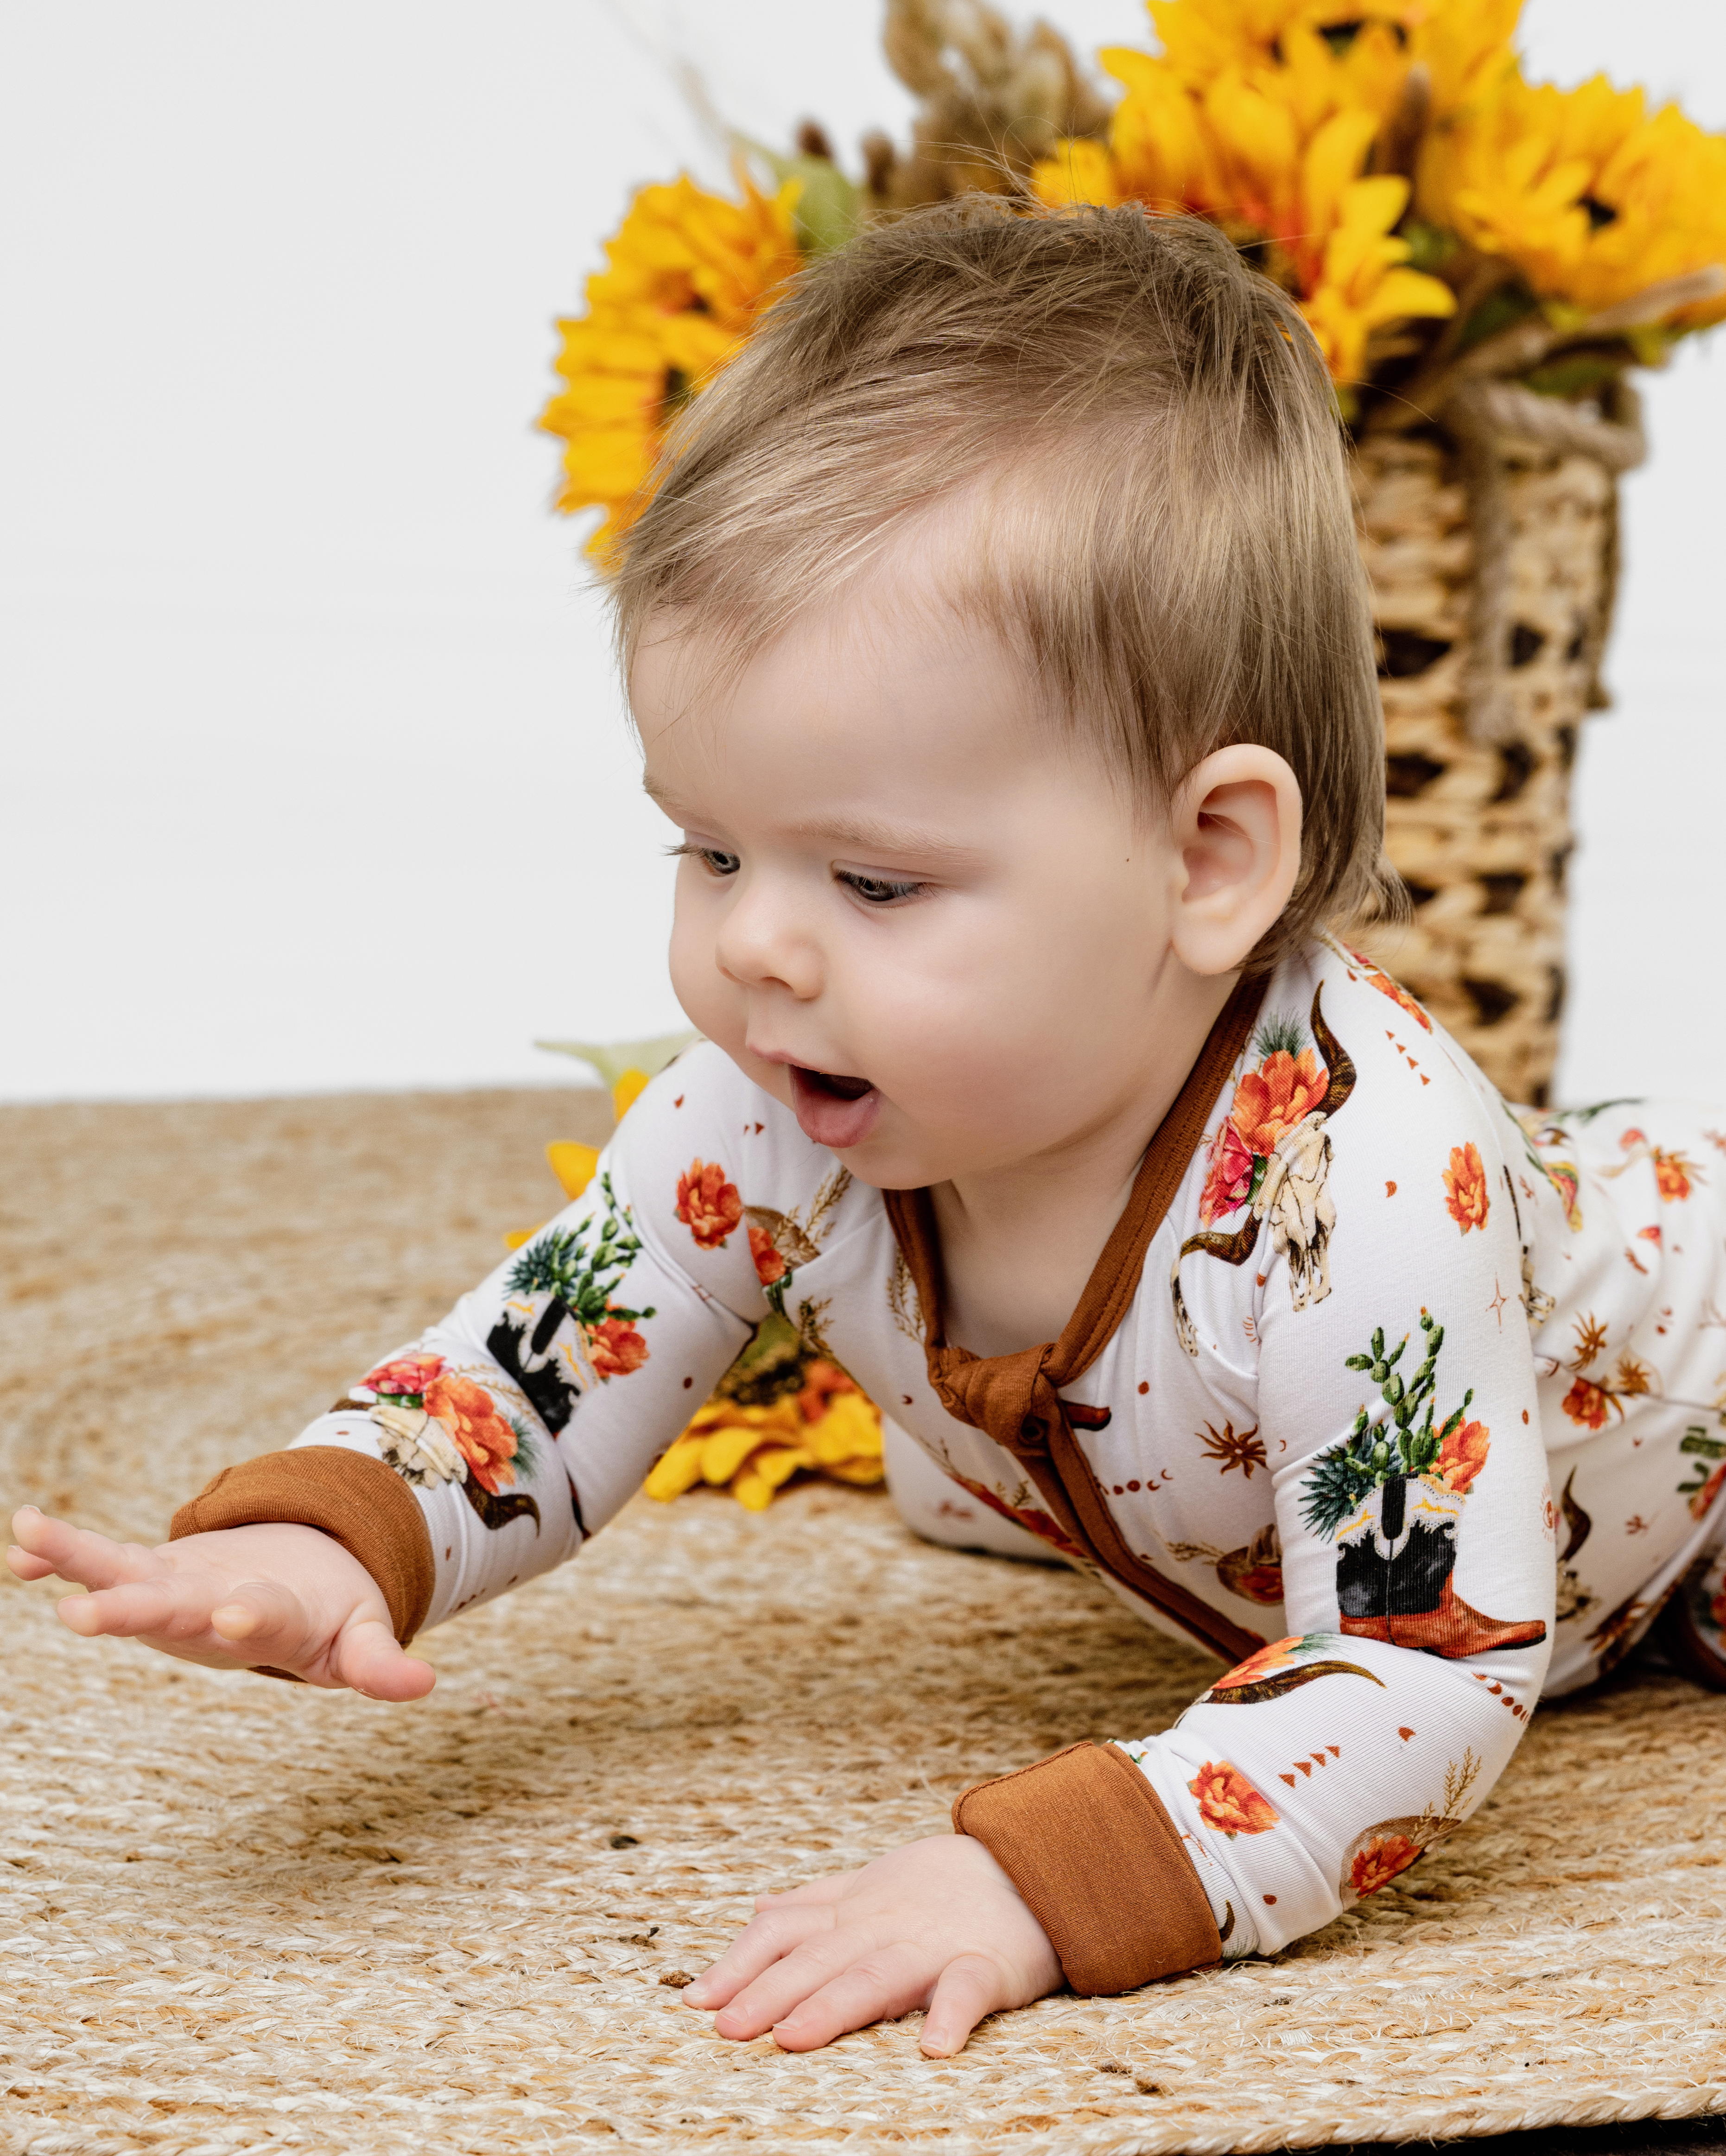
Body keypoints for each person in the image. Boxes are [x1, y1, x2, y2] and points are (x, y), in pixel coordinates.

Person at [12, 202, 1726, 2062]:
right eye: (710, 847)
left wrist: (1043, 1879)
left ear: (1206, 859)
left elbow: (1422, 1660)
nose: (755, 943)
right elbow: (547, 1357)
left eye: (877, 880)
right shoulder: (774, 1106)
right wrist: (341, 1536)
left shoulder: (1364, 1187)